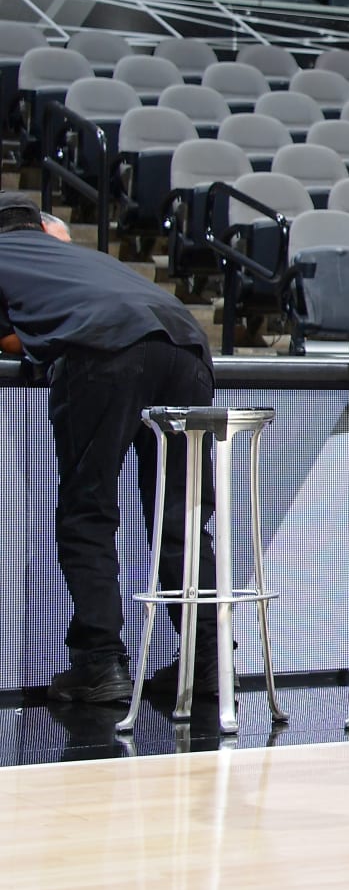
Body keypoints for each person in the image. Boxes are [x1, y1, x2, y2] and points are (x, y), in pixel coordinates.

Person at [0, 192, 218, 704]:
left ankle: (100, 663)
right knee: (182, 518)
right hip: (187, 343)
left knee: (88, 510)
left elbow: (14, 339)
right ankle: (207, 661)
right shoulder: (82, 258)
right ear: (39, 227)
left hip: (107, 348)